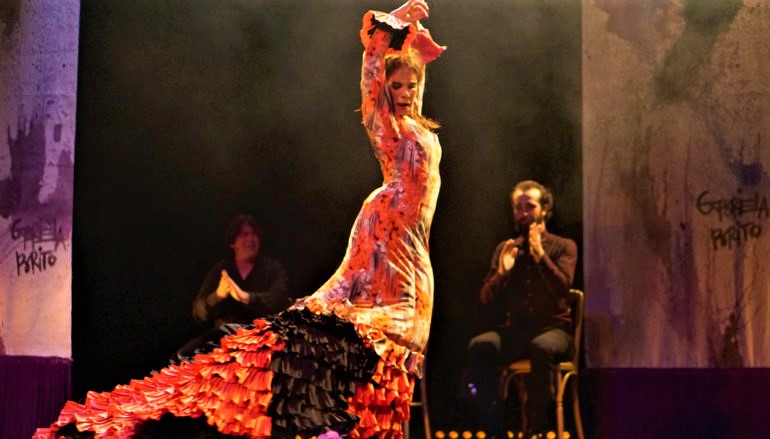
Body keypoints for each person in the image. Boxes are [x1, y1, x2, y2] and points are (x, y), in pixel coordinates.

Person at [35, 1, 444, 438]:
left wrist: (410, 47)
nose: (403, 93)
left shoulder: (417, 133)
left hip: (410, 273)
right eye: (396, 86)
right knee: (357, 350)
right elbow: (373, 101)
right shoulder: (392, 142)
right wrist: (382, 42)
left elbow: (408, 94)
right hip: (384, 262)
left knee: (391, 356)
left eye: (410, 85)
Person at [466, 180, 577, 439]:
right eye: (518, 207)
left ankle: (534, 431)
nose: (524, 212)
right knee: (481, 346)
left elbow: (564, 289)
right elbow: (485, 299)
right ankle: (496, 431)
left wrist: (541, 257)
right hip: (517, 331)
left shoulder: (563, 246)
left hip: (555, 330)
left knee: (542, 347)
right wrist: (502, 274)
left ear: (545, 209)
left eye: (530, 206)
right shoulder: (508, 248)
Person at [175, 214, 290, 362]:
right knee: (185, 356)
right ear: (232, 242)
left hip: (263, 337)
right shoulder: (222, 269)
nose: (251, 239)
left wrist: (246, 297)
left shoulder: (272, 267)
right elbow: (198, 312)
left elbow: (281, 299)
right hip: (226, 340)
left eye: (254, 234)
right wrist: (217, 295)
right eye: (244, 234)